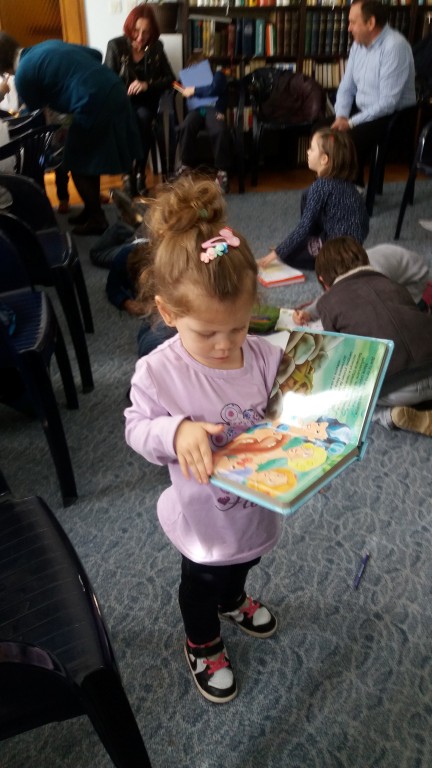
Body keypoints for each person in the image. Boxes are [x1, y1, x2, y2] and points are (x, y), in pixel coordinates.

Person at [124, 175, 284, 704]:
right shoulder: (158, 372)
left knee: (245, 561)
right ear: (168, 314)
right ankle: (202, 641)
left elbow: (290, 402)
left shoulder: (262, 355)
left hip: (256, 506)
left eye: (237, 328)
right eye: (207, 333)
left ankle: (233, 600)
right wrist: (176, 430)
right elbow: (136, 427)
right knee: (200, 584)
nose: (224, 345)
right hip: (204, 520)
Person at [0, 33, 143, 236]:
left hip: (93, 101)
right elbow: (95, 54)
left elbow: (37, 119)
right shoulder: (44, 45)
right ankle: (91, 211)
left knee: (75, 162)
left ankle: (97, 219)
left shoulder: (23, 74)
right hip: (114, 88)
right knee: (86, 159)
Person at [313, 236, 432, 436]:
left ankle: (388, 415)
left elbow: (337, 356)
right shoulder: (393, 284)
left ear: (323, 281)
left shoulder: (326, 302)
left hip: (394, 390)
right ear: (367, 260)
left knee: (337, 390)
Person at [331, 0, 416, 189]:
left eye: (353, 22)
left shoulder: (395, 47)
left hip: (394, 117)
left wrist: (350, 123)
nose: (348, 28)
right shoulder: (358, 45)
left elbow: (388, 103)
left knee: (349, 138)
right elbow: (346, 87)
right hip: (365, 110)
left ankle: (353, 190)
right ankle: (331, 187)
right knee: (321, 130)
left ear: (370, 23)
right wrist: (341, 116)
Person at [258, 128, 369, 271]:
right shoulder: (351, 187)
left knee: (289, 255)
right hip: (354, 247)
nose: (307, 152)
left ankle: (318, 253)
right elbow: (364, 224)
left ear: (324, 159)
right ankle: (315, 246)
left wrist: (277, 253)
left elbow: (304, 227)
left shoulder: (321, 186)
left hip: (336, 250)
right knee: (308, 196)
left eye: (311, 148)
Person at [104, 3, 175, 198]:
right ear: (130, 27)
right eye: (136, 30)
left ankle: (139, 174)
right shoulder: (115, 46)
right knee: (126, 120)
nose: (140, 37)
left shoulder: (156, 47)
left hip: (146, 103)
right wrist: (122, 91)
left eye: (146, 32)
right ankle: (128, 175)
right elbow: (106, 81)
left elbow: (171, 79)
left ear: (152, 32)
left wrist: (146, 84)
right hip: (122, 103)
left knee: (143, 119)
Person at [293, 243, 432, 324]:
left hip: (414, 279)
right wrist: (309, 312)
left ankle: (422, 308)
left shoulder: (374, 280)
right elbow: (328, 296)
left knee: (397, 318)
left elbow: (376, 312)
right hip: (394, 265)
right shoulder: (343, 273)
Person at [106, 240, 175, 357]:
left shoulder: (170, 260)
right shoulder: (122, 259)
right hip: (128, 246)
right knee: (97, 254)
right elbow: (112, 287)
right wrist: (125, 302)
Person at [177, 54, 231, 193]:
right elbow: (176, 85)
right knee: (186, 126)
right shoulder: (187, 79)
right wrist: (181, 88)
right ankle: (185, 167)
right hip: (197, 111)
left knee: (219, 129)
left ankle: (222, 172)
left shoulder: (218, 75)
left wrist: (194, 90)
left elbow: (215, 88)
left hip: (213, 109)